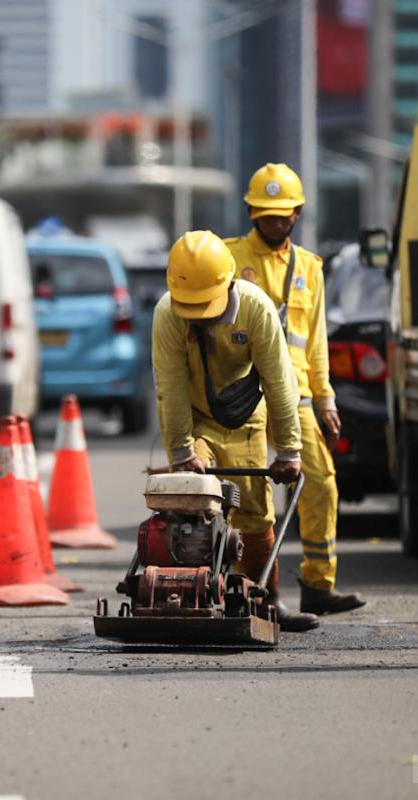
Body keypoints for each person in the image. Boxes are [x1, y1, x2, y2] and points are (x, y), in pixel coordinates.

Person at [152, 230, 317, 632]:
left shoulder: (255, 308)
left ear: (227, 283)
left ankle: (268, 602)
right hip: (195, 420)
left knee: (255, 515)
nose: (198, 313)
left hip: (245, 419)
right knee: (191, 500)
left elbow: (279, 382)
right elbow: (170, 387)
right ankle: (187, 596)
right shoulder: (167, 315)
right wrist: (181, 451)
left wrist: (289, 451)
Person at [224, 164, 366, 616]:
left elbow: (317, 339)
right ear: (250, 211)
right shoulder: (227, 259)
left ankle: (318, 584)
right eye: (264, 215)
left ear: (297, 214)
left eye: (281, 215)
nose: (272, 222)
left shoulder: (310, 268)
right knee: (249, 494)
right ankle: (247, 584)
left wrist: (326, 399)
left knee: (320, 483)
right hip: (246, 393)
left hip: (298, 393)